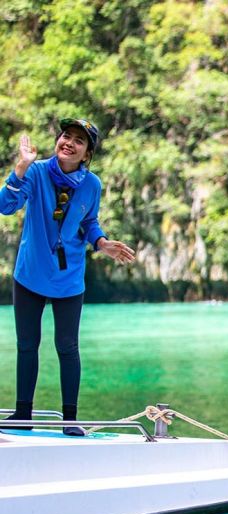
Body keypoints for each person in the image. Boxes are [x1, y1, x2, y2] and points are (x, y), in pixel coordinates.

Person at [0, 119, 135, 435]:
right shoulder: (36, 172)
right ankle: (23, 414)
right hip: (31, 271)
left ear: (87, 153)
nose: (69, 143)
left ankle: (70, 419)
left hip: (69, 275)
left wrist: (101, 243)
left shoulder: (92, 184)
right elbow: (6, 206)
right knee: (27, 344)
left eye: (79, 140)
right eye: (66, 136)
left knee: (67, 346)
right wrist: (21, 167)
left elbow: (89, 222)